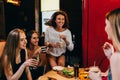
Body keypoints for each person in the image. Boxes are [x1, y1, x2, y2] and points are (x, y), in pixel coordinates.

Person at [102, 8, 120, 80]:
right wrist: (111, 55)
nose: (105, 29)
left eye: (106, 24)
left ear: (114, 27)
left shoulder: (117, 57)